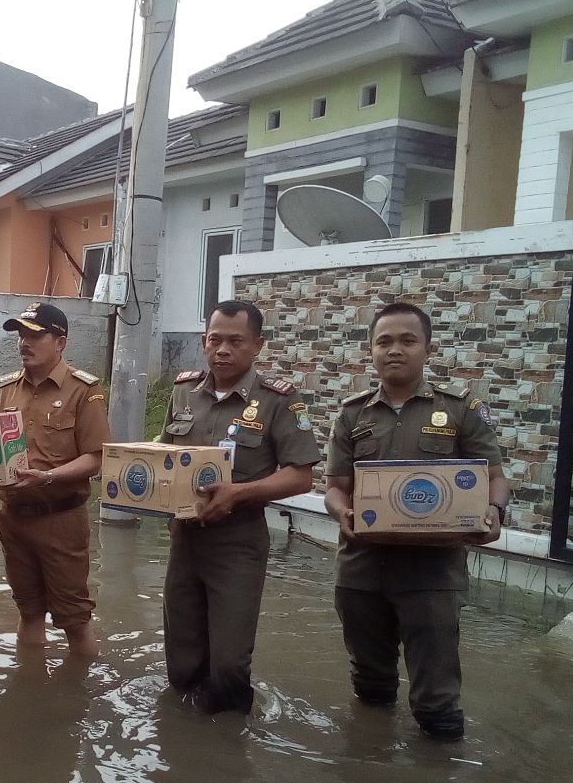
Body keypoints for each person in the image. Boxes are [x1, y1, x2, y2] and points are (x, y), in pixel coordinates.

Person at [324, 301, 509, 740]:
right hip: (362, 568)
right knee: (370, 684)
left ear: (428, 348)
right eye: (384, 341)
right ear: (370, 350)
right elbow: (334, 487)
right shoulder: (353, 414)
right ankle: (370, 764)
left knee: (437, 700)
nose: (395, 350)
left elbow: (496, 479)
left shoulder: (461, 410)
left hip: (433, 572)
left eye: (408, 340)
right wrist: (342, 513)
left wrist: (493, 512)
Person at [160, 299, 321, 713]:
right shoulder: (183, 391)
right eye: (215, 340)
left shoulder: (277, 401)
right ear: (203, 341)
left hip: (238, 543)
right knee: (181, 663)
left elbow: (301, 475)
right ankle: (183, 745)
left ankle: (230, 746)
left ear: (257, 346)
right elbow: (163, 453)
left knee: (229, 664)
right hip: (184, 539)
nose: (223, 350)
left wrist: (238, 493)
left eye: (236, 341)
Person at [0, 302, 111, 657]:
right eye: (20, 335)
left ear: (59, 342)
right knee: (28, 611)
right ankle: (31, 688)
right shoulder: (8, 389)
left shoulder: (83, 390)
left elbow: (97, 456)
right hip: (13, 517)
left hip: (60, 520)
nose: (24, 343)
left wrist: (46, 478)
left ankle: (80, 698)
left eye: (34, 335)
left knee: (74, 618)